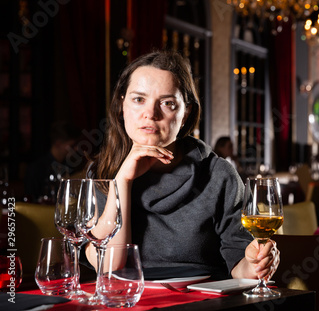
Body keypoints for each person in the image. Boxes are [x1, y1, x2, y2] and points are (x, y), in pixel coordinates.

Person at [84, 49, 279, 281]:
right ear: (121, 105)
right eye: (138, 99)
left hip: (201, 301)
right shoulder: (102, 172)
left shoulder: (218, 174)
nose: (150, 114)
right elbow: (110, 266)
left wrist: (256, 263)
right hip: (126, 301)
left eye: (167, 103)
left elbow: (240, 266)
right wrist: (123, 182)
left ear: (185, 113)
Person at [24, 120, 81, 203]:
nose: (76, 149)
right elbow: (31, 200)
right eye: (72, 145)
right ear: (58, 143)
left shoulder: (71, 166)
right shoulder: (37, 169)